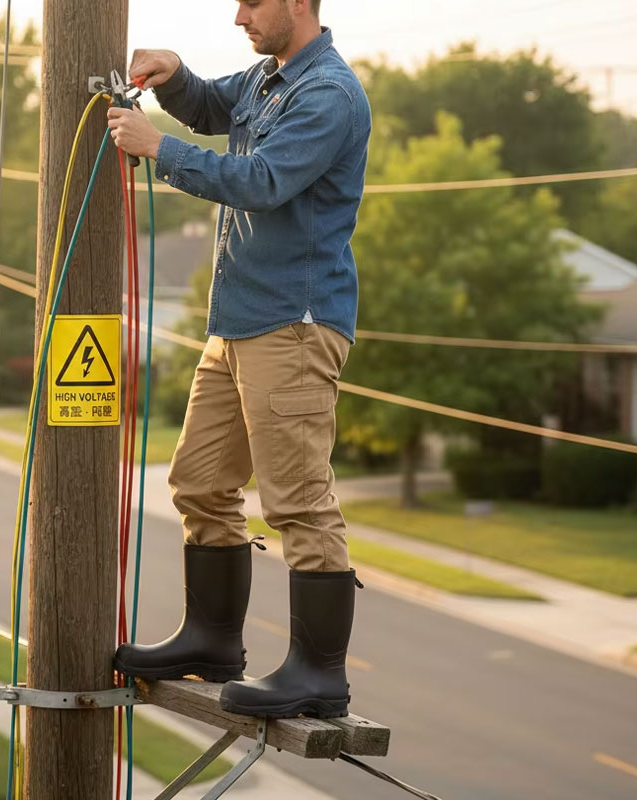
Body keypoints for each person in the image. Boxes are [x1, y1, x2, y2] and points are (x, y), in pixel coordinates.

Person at [108, 0, 371, 720]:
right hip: (238, 324)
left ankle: (319, 675)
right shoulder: (267, 78)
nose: (238, 16)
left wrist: (157, 149)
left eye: (253, 2)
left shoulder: (328, 94)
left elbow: (261, 181)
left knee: (298, 501)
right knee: (198, 482)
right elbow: (207, 104)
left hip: (293, 325)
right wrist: (172, 75)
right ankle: (212, 641)